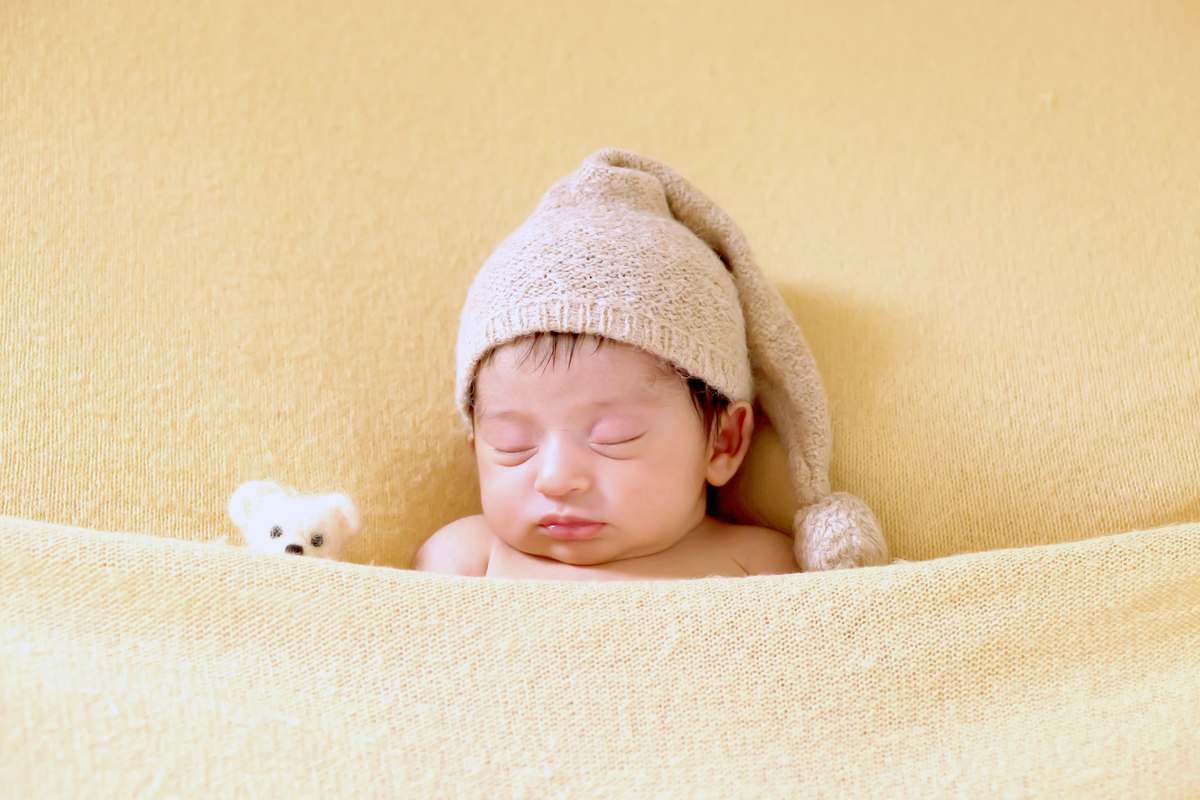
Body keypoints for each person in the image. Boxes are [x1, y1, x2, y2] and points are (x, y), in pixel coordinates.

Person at [415, 149, 888, 580]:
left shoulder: (757, 566)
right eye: (512, 444)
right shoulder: (468, 559)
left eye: (614, 437)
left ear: (722, 442)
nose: (556, 478)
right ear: (476, 444)